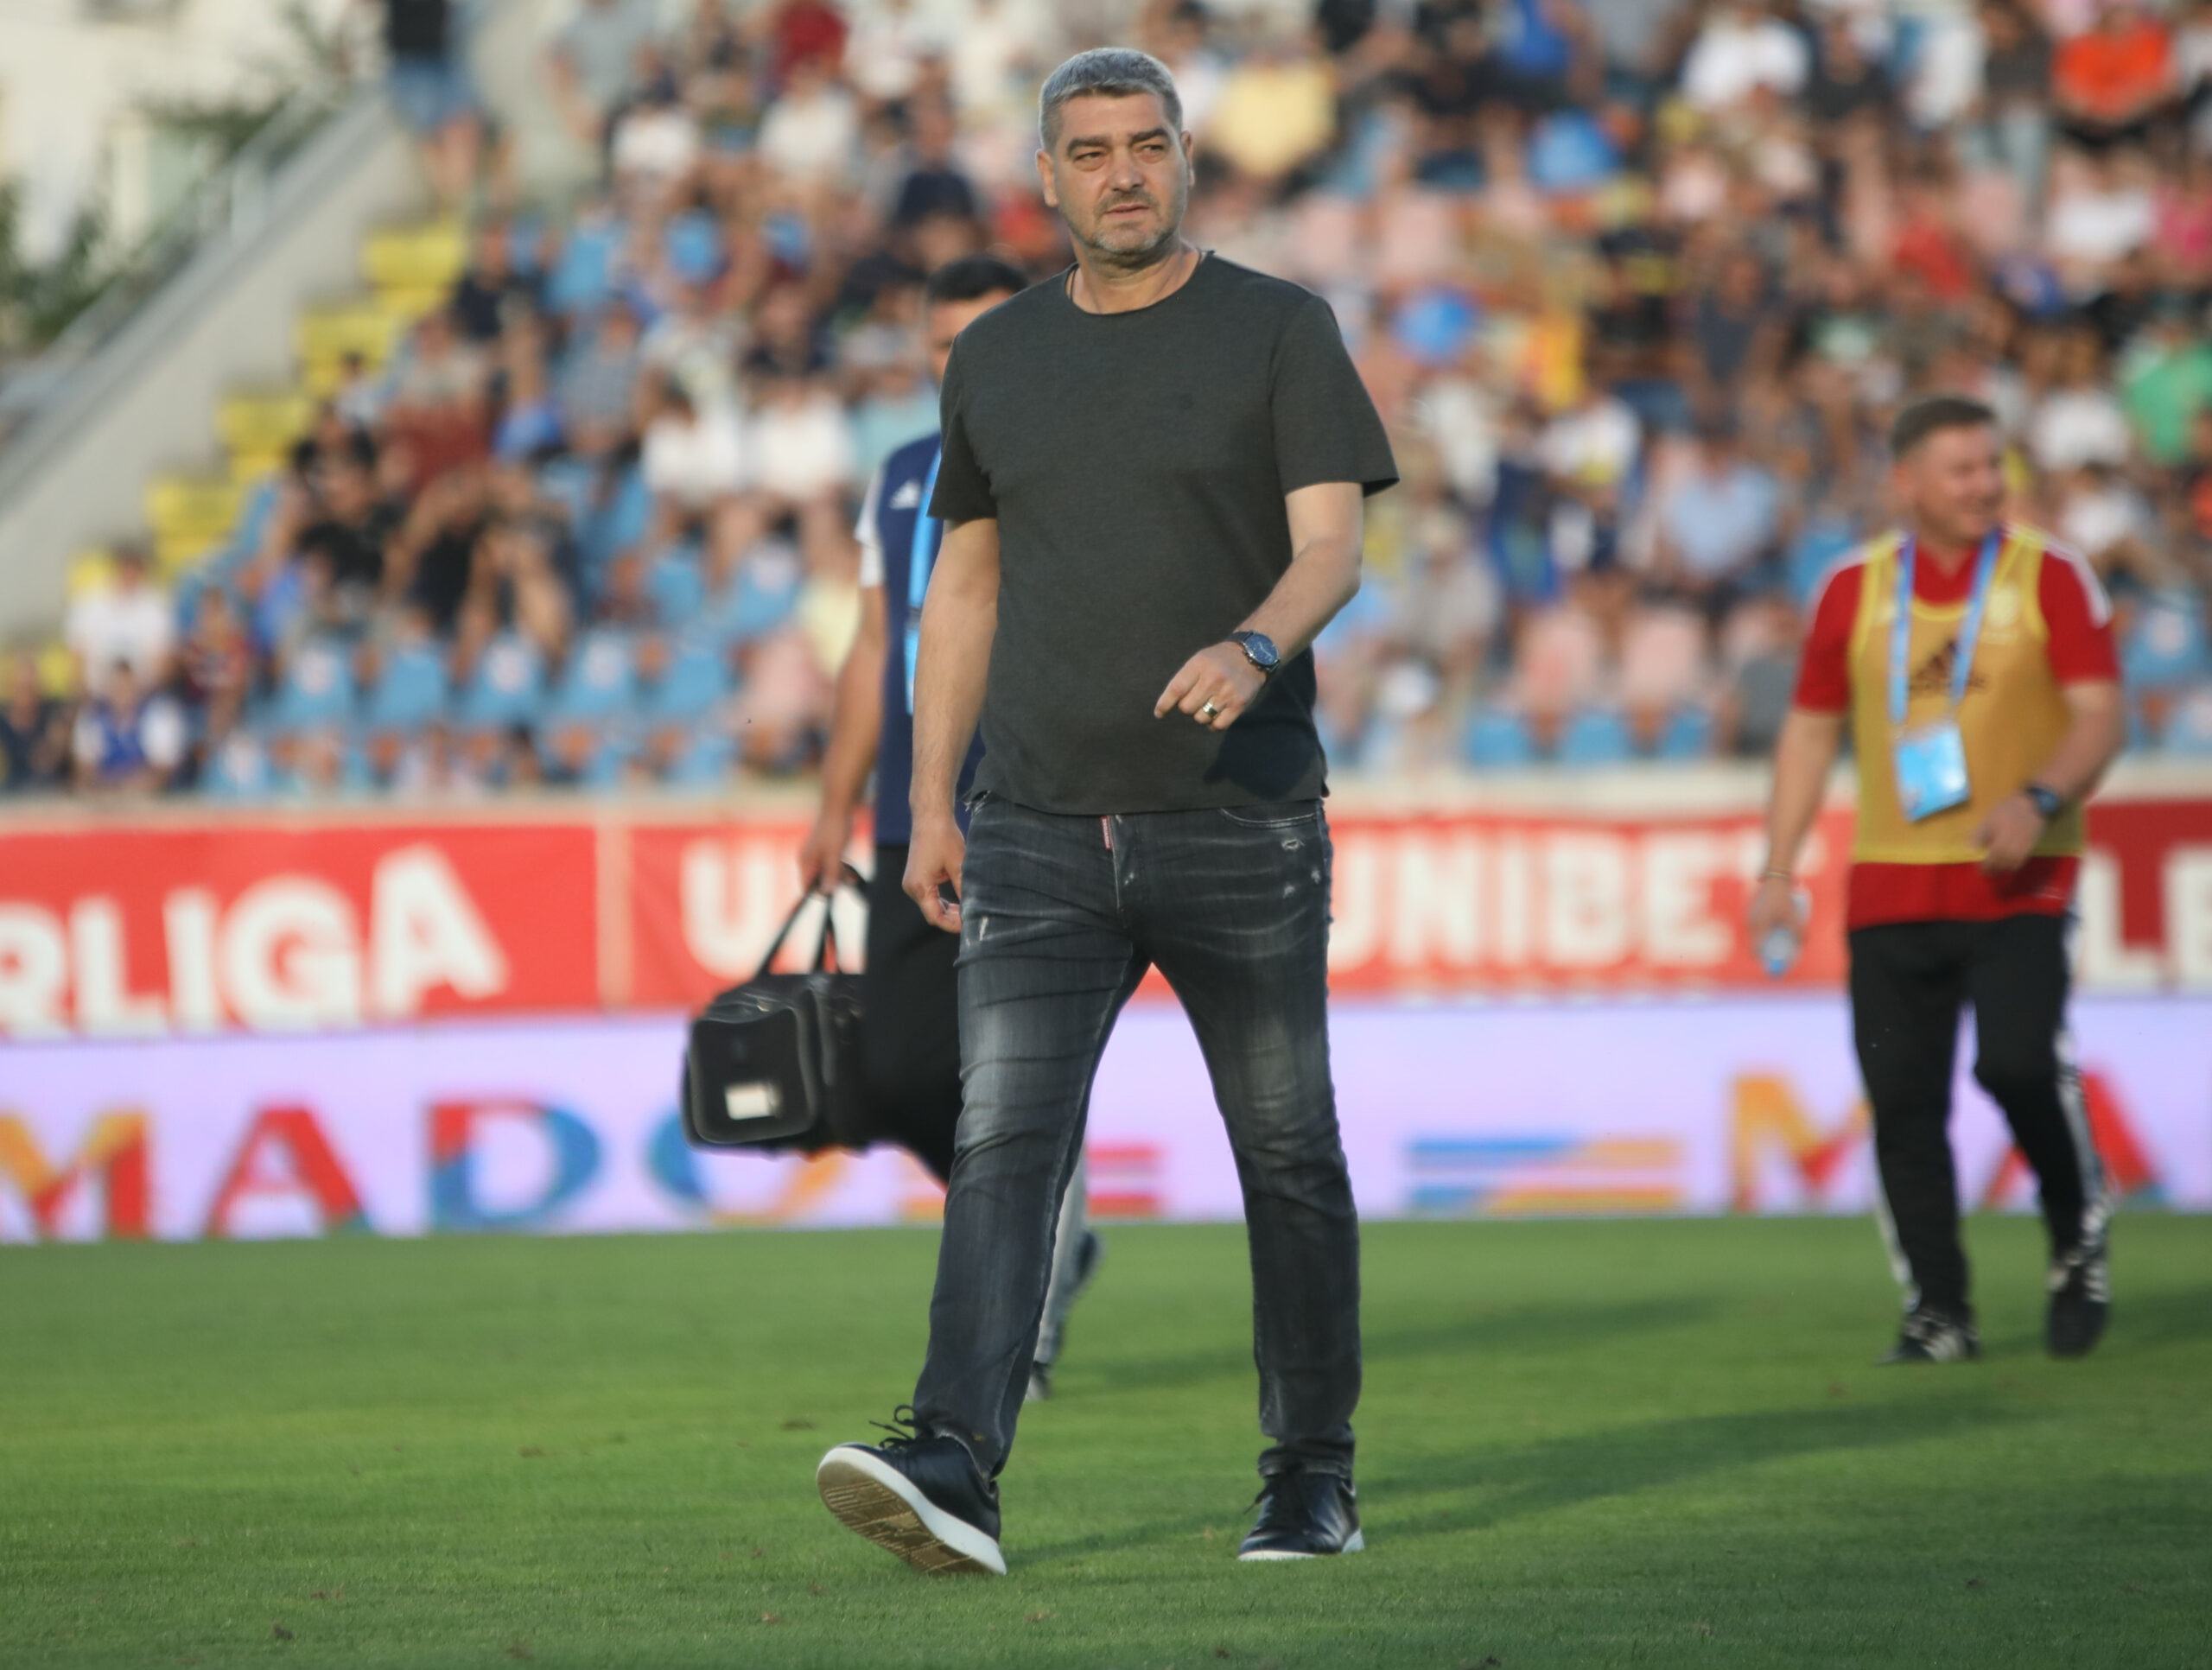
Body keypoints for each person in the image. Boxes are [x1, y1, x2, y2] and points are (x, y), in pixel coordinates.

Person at [814, 48, 1395, 1576]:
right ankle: (955, 1456)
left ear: (1185, 157)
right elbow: (963, 591)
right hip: (1035, 826)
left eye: (1146, 143)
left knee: (1288, 1155)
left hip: (1238, 820)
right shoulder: (997, 355)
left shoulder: (1282, 327)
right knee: (1003, 1141)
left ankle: (1311, 1475)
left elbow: (1333, 549)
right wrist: (931, 801)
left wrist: (1253, 645)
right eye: (1090, 150)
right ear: (1048, 177)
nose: (1122, 172)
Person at [1750, 395, 2125, 1367]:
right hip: (1891, 885)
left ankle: (2075, 1232)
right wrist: (1779, 868)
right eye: (1961, 469)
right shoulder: (1853, 588)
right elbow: (1808, 734)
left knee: (2016, 1065)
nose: (1984, 485)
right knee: (1903, 1100)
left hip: (2020, 877)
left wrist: (2039, 797)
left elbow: (2100, 714)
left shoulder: (2048, 574)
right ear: (1905, 482)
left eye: (1992, 465)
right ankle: (1938, 1310)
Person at [798, 254, 1103, 1403]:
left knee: (1018, 1075)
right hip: (908, 816)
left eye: (982, 339)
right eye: (942, 345)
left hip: (1028, 804)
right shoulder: (898, 477)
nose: (961, 363)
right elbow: (874, 647)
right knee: (889, 1069)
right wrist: (832, 802)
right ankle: (1046, 1212)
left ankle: (1022, 1330)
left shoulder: (1070, 463)